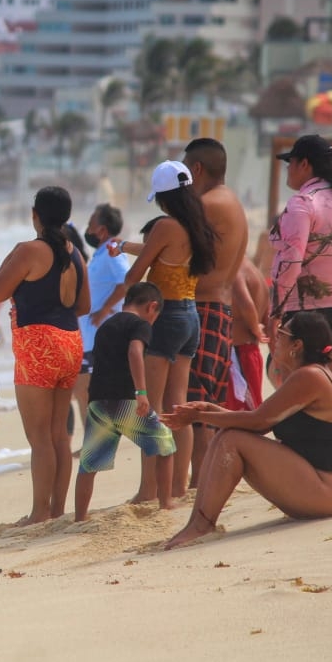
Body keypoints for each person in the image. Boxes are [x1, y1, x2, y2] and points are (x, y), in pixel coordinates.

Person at [163, 311, 332, 550]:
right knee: (226, 436)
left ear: (296, 345)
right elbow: (259, 420)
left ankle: (202, 525)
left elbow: (258, 422)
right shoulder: (310, 375)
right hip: (324, 484)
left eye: (280, 334)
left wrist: (199, 416)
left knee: (232, 440)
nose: (273, 338)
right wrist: (209, 410)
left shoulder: (310, 376)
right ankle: (196, 523)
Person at [101, 161, 218, 501]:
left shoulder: (166, 225)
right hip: (190, 315)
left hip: (164, 318)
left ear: (165, 198)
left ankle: (148, 490)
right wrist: (123, 246)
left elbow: (136, 273)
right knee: (177, 407)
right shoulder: (195, 224)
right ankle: (178, 486)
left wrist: (111, 306)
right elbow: (160, 252)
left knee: (149, 409)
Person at [0, 186, 90, 525]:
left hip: (38, 345)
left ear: (35, 214)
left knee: (39, 438)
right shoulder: (74, 251)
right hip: (71, 342)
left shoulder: (29, 250)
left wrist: (13, 258)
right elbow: (85, 305)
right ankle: (58, 510)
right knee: (59, 434)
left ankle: (39, 512)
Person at [270, 135, 332, 387]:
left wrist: (276, 311)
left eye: (289, 162)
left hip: (312, 308)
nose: (288, 169)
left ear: (304, 164)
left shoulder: (302, 202)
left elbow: (291, 262)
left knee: (286, 377)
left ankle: (302, 425)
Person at [74, 282, 176, 520]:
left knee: (89, 465)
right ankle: (166, 502)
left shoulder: (105, 325)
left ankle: (80, 516)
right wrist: (141, 392)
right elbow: (134, 352)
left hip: (98, 401)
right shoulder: (140, 325)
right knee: (165, 445)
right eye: (156, 317)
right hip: (127, 401)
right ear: (152, 307)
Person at [180, 138, 248, 490]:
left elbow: (176, 251)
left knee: (197, 408)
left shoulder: (207, 204)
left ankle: (199, 483)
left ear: (197, 170)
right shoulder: (233, 202)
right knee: (207, 405)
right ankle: (202, 479)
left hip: (204, 309)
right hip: (220, 309)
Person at [72, 203, 130, 447]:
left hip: (97, 336)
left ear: (103, 229)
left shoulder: (112, 251)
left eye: (91, 222)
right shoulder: (101, 253)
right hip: (88, 335)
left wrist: (106, 308)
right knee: (83, 391)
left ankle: (96, 441)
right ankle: (93, 438)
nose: (87, 227)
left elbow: (128, 279)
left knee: (84, 390)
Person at [226, 258, 269, 413]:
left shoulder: (235, 268)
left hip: (237, 354)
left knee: (237, 416)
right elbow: (267, 315)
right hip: (252, 353)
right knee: (251, 411)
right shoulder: (255, 272)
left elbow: (246, 303)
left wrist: (254, 327)